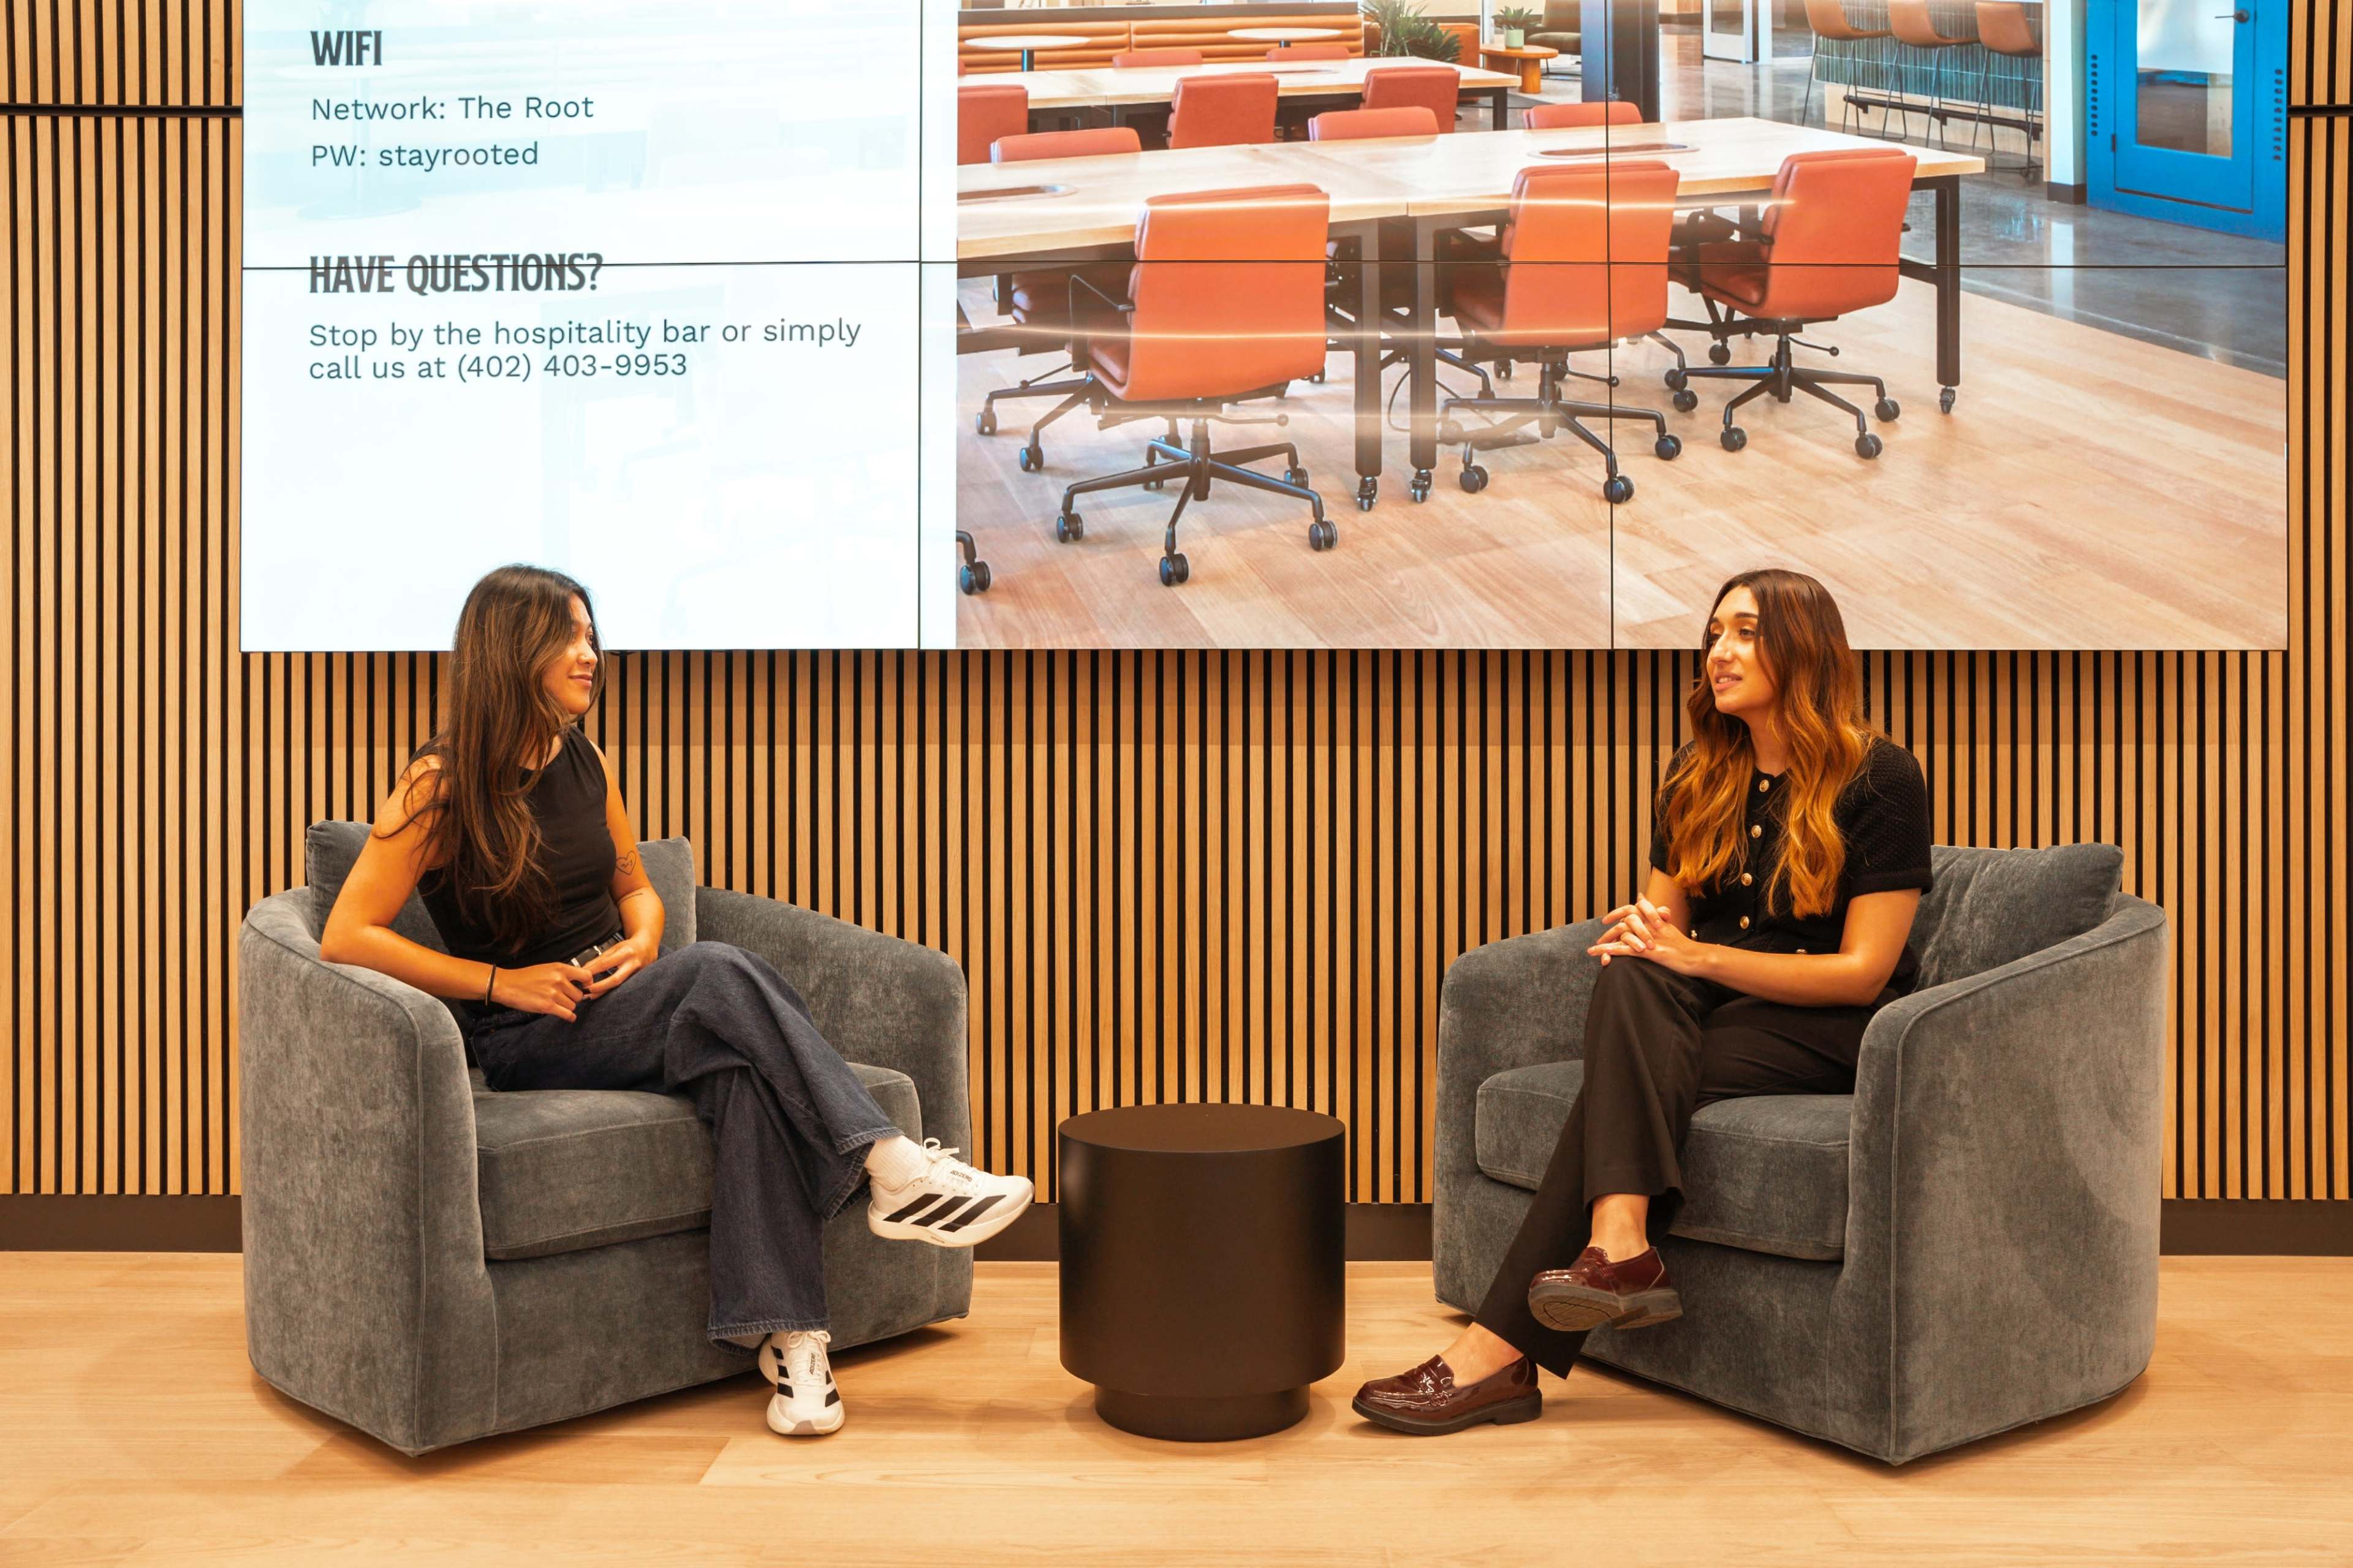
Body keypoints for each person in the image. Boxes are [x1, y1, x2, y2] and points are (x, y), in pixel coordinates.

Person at [319, 564, 1033, 1441]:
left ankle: (794, 1343)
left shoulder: (586, 758)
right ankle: (893, 1167)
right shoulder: (440, 784)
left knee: (742, 1072)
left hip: (622, 998)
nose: (591, 655)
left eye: (591, 635)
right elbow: (347, 935)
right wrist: (505, 984)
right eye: (569, 638)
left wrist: (647, 939)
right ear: (512, 652)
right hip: (529, 1031)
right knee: (721, 971)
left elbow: (635, 886)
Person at [1353, 567, 1933, 1435]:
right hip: (1727, 1014)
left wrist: (1692, 955)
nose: (1719, 653)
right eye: (1713, 635)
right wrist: (1651, 942)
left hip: (1839, 1026)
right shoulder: (1698, 773)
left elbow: (1861, 971)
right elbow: (1655, 931)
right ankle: (1616, 1250)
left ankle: (1496, 1356)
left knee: (1616, 1089)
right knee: (1629, 972)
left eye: (1745, 632)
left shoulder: (1878, 773)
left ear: (1804, 648)